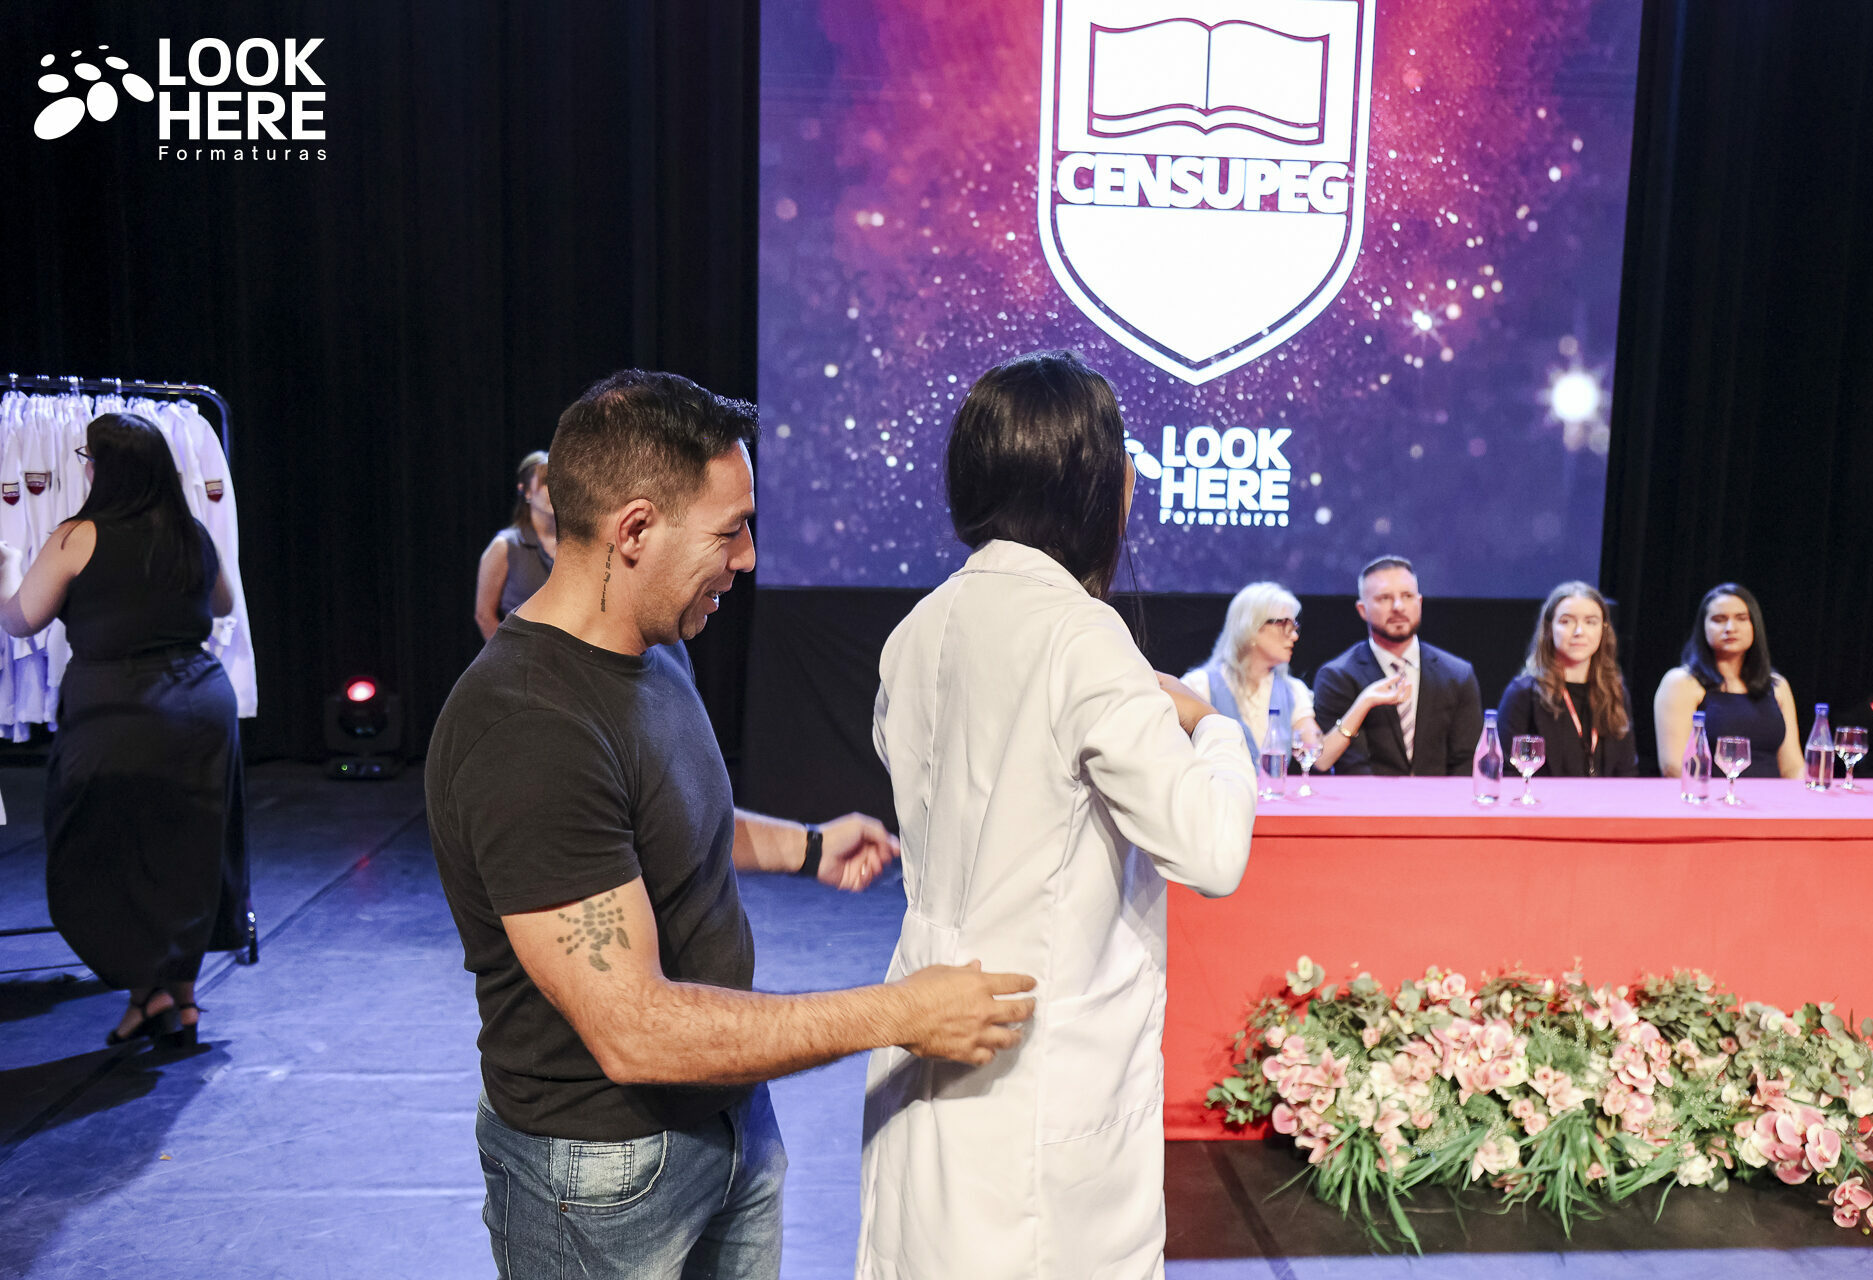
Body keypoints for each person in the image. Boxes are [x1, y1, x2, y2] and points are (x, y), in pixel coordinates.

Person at [425, 370, 1035, 1280]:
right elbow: (636, 1030)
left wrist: (808, 846)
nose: (747, 558)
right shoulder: (529, 729)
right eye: (730, 530)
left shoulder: (650, 646)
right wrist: (903, 1013)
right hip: (602, 1177)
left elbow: (662, 817)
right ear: (635, 531)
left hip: (728, 1119)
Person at [858, 351, 1257, 1279]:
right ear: (1093, 485)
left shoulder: (919, 626)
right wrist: (1214, 728)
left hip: (931, 1022)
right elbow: (1210, 850)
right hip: (1039, 1058)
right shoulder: (1080, 631)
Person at [0, 412, 244, 1050]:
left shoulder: (77, 536)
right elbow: (222, 605)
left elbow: (22, 621)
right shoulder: (190, 532)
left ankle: (149, 989)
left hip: (119, 706)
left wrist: (5, 571)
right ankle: (175, 999)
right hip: (199, 702)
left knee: (100, 848)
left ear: (102, 468)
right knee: (187, 852)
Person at [1311, 556, 1483, 774]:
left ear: (1419, 602)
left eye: (1407, 596)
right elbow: (1351, 765)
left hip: (1441, 795)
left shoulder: (1457, 674)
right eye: (1384, 598)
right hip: (1368, 795)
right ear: (1362, 610)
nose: (1398, 607)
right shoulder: (1338, 676)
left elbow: (1466, 761)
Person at [1653, 582, 1805, 779]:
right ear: (1702, 627)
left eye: (1741, 618)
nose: (1730, 628)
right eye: (1719, 619)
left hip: (1773, 797)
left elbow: (1793, 766)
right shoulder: (1682, 682)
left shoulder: (1777, 685)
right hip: (1711, 796)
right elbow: (1674, 767)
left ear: (1754, 625)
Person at [1495, 582, 1638, 777]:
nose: (1579, 631)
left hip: (1603, 798)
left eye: (1590, 622)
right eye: (1566, 621)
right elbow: (1506, 772)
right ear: (1548, 629)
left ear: (1603, 629)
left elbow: (1627, 772)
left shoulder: (1615, 691)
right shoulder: (1523, 694)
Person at [1180, 581, 1319, 759]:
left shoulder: (1293, 691)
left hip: (1275, 779)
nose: (1294, 636)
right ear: (1251, 627)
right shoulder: (1199, 686)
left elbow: (1316, 751)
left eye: (1294, 627)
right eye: (1285, 624)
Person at [474, 450, 555, 640]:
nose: (554, 489)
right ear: (526, 491)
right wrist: (508, 654)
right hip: (525, 654)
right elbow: (484, 615)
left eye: (558, 482)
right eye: (546, 482)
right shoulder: (506, 546)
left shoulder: (576, 543)